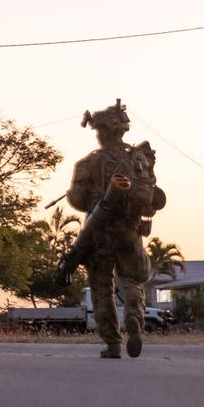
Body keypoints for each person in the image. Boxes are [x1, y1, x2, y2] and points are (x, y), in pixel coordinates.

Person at [59, 100, 165, 359]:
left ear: (103, 132)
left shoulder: (89, 163)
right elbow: (151, 201)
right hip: (130, 231)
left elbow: (77, 200)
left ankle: (113, 343)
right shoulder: (139, 159)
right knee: (131, 281)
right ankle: (134, 319)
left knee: (101, 288)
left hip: (98, 233)